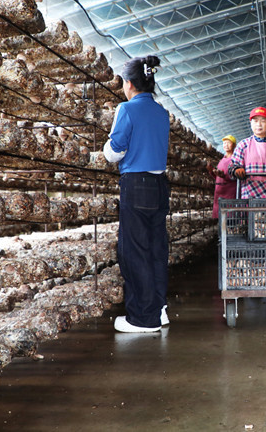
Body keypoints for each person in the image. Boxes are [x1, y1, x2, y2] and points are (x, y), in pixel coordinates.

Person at [103, 55, 171, 333]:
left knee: (134, 251)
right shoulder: (162, 112)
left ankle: (143, 318)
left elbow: (114, 151)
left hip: (136, 184)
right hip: (159, 185)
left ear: (129, 84)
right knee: (156, 249)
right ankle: (159, 309)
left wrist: (107, 149)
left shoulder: (127, 109)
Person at [208, 134, 237, 218]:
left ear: (234, 145)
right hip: (219, 193)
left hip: (229, 193)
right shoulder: (222, 160)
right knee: (220, 218)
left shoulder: (235, 159)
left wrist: (224, 176)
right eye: (224, 143)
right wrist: (211, 171)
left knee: (229, 218)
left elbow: (236, 176)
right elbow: (218, 178)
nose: (226, 145)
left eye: (229, 143)